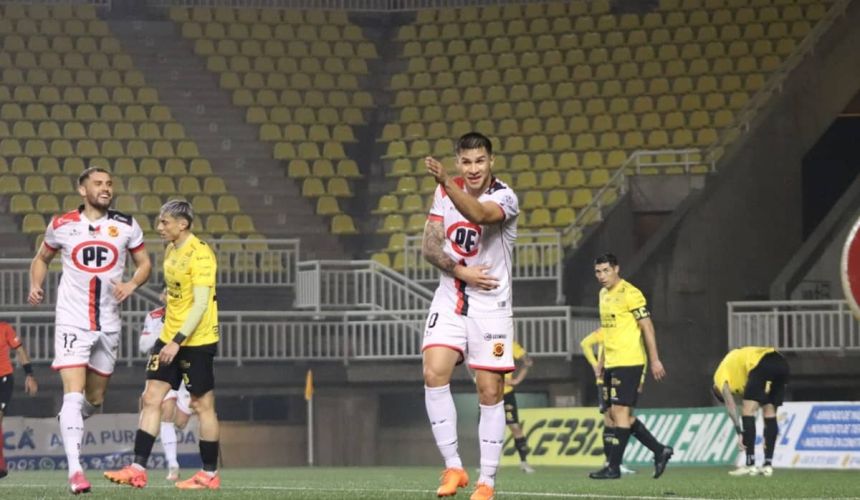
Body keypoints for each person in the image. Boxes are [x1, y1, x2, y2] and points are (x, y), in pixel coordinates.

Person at [28, 167, 151, 494]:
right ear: (82, 190)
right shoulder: (62, 225)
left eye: (109, 183)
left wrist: (132, 283)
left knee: (94, 399)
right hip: (72, 320)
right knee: (72, 393)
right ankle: (75, 471)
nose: (105, 188)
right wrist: (35, 284)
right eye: (98, 183)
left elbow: (145, 264)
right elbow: (41, 258)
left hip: (109, 323)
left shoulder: (125, 225)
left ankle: (70, 419)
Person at [421, 132, 519, 500]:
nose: (473, 168)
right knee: (433, 372)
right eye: (466, 162)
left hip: (491, 305)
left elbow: (479, 214)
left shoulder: (505, 197)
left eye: (480, 161)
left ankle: (487, 481)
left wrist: (446, 180)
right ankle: (454, 467)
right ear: (459, 161)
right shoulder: (443, 192)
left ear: (491, 161)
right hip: (451, 297)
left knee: (490, 389)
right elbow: (429, 246)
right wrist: (460, 273)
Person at [105, 200, 221, 490]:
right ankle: (137, 468)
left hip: (196, 339)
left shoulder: (202, 254)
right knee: (151, 398)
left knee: (201, 405)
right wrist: (171, 297)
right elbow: (181, 291)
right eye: (159, 222)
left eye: (164, 222)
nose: (159, 227)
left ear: (182, 224)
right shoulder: (171, 250)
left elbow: (201, 305)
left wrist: (177, 342)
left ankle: (209, 474)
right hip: (169, 334)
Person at [587, 253, 673, 480]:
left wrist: (654, 360)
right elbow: (607, 330)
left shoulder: (631, 293)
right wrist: (602, 361)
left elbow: (647, 327)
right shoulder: (603, 294)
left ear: (616, 269)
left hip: (630, 361)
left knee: (621, 414)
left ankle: (613, 467)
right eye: (598, 272)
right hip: (612, 362)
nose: (602, 276)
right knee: (616, 416)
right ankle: (659, 450)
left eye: (606, 270)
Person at [138, 293, 195, 482]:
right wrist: (162, 335)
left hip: (187, 368)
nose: (169, 296)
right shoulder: (154, 316)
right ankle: (173, 466)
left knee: (181, 422)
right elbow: (143, 345)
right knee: (166, 415)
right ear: (162, 296)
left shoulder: (190, 313)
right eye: (166, 292)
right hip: (164, 367)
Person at [712, 346, 789, 477]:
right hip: (781, 362)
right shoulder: (740, 376)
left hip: (760, 364)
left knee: (747, 411)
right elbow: (762, 394)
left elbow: (731, 405)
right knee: (770, 413)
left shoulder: (718, 378)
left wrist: (740, 432)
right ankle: (767, 465)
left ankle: (750, 464)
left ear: (716, 389)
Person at [580, 329, 636, 475]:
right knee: (610, 420)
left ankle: (615, 462)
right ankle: (610, 462)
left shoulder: (623, 332)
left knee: (620, 419)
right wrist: (595, 364)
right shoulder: (606, 330)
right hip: (604, 380)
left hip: (618, 377)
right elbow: (585, 344)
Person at [0, 321, 39, 479]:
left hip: (3, 379)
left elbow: (20, 350)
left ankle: (0, 464)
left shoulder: (5, 328)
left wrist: (29, 375)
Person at [504, 341, 535, 474]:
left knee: (515, 427)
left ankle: (524, 462)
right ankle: (488, 463)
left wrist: (516, 380)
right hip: (489, 392)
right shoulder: (487, 342)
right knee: (487, 427)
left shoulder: (511, 345)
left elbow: (527, 361)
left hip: (506, 394)